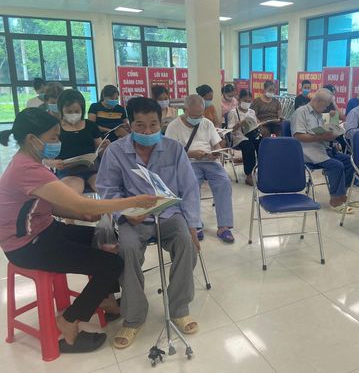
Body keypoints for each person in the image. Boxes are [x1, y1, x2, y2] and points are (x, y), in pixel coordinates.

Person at [0, 108, 158, 353]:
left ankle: (105, 300)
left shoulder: (31, 162)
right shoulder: (27, 169)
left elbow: (47, 205)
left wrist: (79, 215)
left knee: (106, 241)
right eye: (53, 137)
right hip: (27, 246)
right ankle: (69, 321)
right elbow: (81, 203)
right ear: (32, 139)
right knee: (111, 264)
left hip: (45, 230)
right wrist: (132, 202)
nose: (58, 142)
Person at [96, 97, 201, 349]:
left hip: (169, 213)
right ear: (129, 125)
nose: (147, 131)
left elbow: (189, 189)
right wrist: (125, 212)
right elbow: (107, 189)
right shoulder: (116, 151)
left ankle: (178, 307)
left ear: (161, 122)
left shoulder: (174, 149)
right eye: (140, 126)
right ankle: (134, 317)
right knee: (127, 249)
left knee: (186, 243)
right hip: (134, 217)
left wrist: (193, 226)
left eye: (153, 124)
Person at [165, 94, 235, 244]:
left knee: (224, 182)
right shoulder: (173, 126)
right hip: (187, 163)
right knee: (191, 184)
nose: (198, 118)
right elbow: (171, 153)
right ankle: (195, 224)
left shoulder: (207, 123)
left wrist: (215, 153)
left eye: (200, 114)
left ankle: (224, 226)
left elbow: (216, 144)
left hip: (209, 161)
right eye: (195, 115)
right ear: (185, 110)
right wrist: (191, 154)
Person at [291, 88, 357, 214]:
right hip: (306, 151)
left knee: (349, 161)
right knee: (336, 165)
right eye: (325, 105)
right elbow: (298, 136)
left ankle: (342, 194)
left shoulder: (318, 115)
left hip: (321, 148)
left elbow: (320, 134)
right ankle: (335, 200)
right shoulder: (300, 113)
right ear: (318, 101)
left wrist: (331, 136)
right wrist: (321, 137)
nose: (326, 108)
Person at [44, 89, 107, 197]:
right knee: (72, 195)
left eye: (77, 111)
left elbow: (101, 152)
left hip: (93, 169)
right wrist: (53, 163)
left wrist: (106, 148)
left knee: (107, 189)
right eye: (69, 112)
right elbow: (44, 158)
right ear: (61, 110)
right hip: (68, 171)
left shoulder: (91, 126)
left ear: (82, 110)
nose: (73, 114)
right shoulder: (55, 128)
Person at [227, 89, 261, 186]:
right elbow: (230, 130)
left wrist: (259, 125)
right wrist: (239, 124)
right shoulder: (233, 112)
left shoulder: (252, 112)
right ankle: (249, 175)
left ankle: (263, 170)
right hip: (239, 137)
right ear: (239, 99)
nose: (247, 103)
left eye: (249, 101)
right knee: (249, 147)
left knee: (263, 145)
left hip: (252, 135)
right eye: (245, 100)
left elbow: (255, 124)